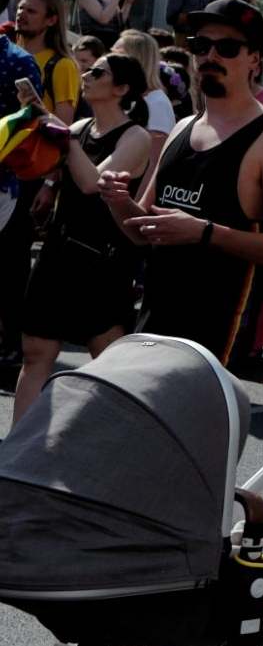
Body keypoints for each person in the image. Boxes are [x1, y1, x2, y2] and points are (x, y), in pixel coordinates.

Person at [107, 0, 263, 367]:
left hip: (215, 342)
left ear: (254, 60)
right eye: (200, 45)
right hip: (154, 326)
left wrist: (204, 232)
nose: (210, 55)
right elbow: (143, 231)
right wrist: (116, 199)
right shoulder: (182, 127)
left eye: (227, 47)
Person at [8, 53, 150, 427]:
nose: (86, 75)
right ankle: (18, 451)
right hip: (59, 251)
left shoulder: (135, 136)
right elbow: (53, 158)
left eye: (97, 72)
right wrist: (36, 117)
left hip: (101, 261)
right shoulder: (82, 126)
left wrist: (63, 139)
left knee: (108, 364)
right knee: (36, 352)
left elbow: (93, 185)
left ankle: (105, 452)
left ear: (121, 89)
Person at [13, 0, 76, 119]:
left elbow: (64, 125)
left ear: (51, 20)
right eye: (20, 8)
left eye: (31, 11)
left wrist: (35, 108)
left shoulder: (62, 65)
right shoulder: (8, 54)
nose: (21, 13)